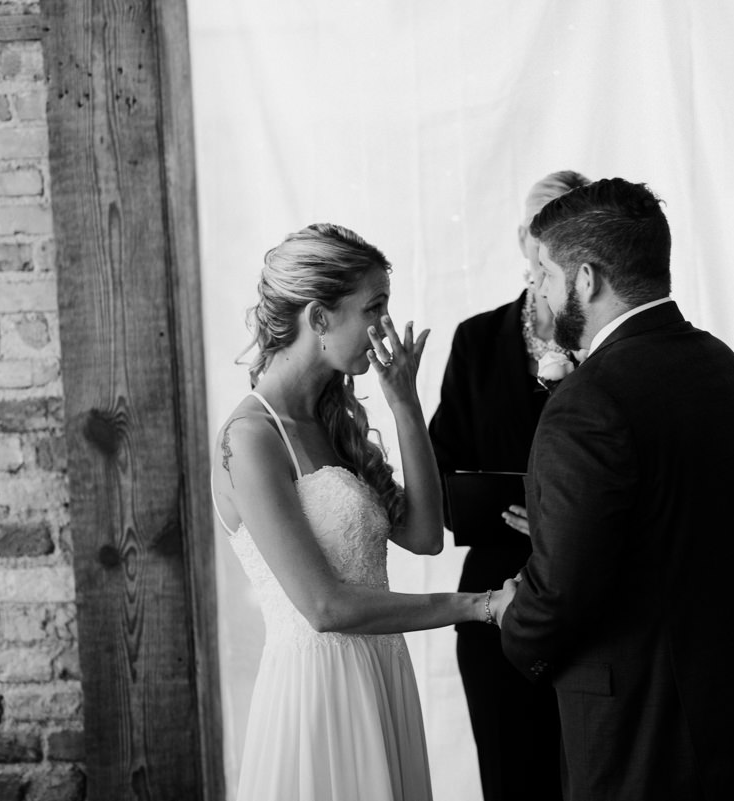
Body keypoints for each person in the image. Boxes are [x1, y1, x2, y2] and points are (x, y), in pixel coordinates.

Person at [495, 179, 734, 800]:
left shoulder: (587, 402)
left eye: (545, 276)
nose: (537, 292)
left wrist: (514, 620)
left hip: (645, 740)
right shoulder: (721, 364)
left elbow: (562, 590)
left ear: (585, 279)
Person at [210, 223, 515, 801]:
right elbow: (323, 607)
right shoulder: (250, 438)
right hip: (318, 692)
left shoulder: (329, 421)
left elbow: (425, 536)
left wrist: (405, 404)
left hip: (381, 673)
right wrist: (479, 605)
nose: (385, 327)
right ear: (319, 316)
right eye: (373, 308)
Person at [428, 170, 589, 801]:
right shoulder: (477, 339)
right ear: (523, 237)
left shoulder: (605, 343)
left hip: (587, 588)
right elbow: (442, 467)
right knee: (510, 774)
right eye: (538, 227)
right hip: (495, 592)